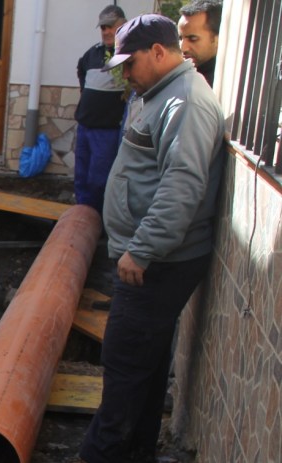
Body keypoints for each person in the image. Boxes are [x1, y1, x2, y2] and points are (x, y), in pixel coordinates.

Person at [79, 14, 226, 463]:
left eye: (131, 62)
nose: (126, 73)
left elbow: (182, 188)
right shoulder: (160, 93)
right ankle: (136, 450)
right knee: (146, 360)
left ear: (159, 52)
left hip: (157, 261)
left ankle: (99, 456)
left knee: (123, 363)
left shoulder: (185, 104)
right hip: (150, 255)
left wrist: (140, 251)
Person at [73, 5, 128, 214]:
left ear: (122, 26)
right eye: (102, 27)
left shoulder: (127, 57)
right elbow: (81, 70)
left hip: (108, 130)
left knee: (99, 179)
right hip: (85, 126)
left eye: (110, 27)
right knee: (81, 176)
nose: (105, 31)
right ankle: (81, 215)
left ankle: (97, 219)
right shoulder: (92, 54)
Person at [178, 0, 221, 86]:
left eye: (193, 39)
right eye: (180, 38)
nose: (182, 48)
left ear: (217, 40)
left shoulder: (221, 81)